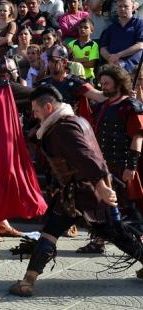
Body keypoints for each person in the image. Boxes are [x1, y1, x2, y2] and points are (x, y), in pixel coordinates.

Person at [9, 85, 143, 297]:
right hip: (85, 192)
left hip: (80, 193)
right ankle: (28, 280)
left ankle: (27, 282)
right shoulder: (75, 121)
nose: (33, 114)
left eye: (36, 109)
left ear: (49, 107)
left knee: (52, 233)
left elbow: (87, 158)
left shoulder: (64, 128)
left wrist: (102, 187)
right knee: (113, 233)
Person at [77, 65, 143, 254]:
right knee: (101, 204)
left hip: (124, 165)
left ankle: (139, 244)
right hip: (105, 166)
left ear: (118, 83)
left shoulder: (130, 106)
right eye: (102, 83)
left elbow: (138, 137)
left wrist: (131, 166)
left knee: (129, 208)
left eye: (107, 83)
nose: (103, 86)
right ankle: (98, 241)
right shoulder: (104, 106)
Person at [0, 58, 47, 242]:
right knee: (1, 181)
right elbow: (36, 94)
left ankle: (1, 222)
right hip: (3, 142)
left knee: (2, 180)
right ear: (9, 73)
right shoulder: (7, 86)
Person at [100, 0, 143, 73]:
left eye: (126, 6)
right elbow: (103, 48)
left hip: (133, 70)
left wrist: (118, 55)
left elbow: (140, 45)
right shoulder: (111, 27)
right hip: (114, 68)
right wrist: (110, 58)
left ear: (132, 7)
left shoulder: (139, 23)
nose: (122, 9)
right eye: (120, 6)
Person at [68, 18, 100, 82]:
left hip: (88, 78)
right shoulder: (71, 44)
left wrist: (75, 61)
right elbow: (67, 62)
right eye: (80, 27)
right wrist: (85, 59)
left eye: (86, 27)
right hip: (72, 77)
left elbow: (91, 64)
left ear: (92, 30)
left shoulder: (94, 45)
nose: (82, 29)